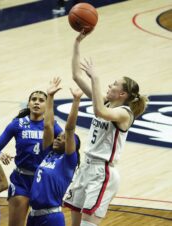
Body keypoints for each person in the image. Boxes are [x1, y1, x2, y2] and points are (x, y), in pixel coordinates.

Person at [63, 31, 148, 226]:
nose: (109, 86)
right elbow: (76, 75)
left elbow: (99, 111)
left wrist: (96, 78)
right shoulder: (106, 103)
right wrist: (77, 42)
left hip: (102, 173)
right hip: (85, 167)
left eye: (113, 85)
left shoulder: (125, 114)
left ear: (122, 93)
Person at [0, 90, 63, 226]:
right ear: (28, 103)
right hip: (21, 180)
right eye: (34, 99)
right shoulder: (17, 124)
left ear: (47, 105)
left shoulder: (52, 125)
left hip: (43, 181)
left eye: (41, 100)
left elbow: (69, 143)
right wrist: (1, 155)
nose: (37, 102)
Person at [26, 77, 81, 226]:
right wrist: (50, 96)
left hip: (51, 218)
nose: (58, 138)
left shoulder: (68, 161)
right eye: (59, 137)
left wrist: (76, 101)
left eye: (63, 139)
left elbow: (69, 130)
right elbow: (48, 125)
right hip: (32, 216)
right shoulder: (48, 154)